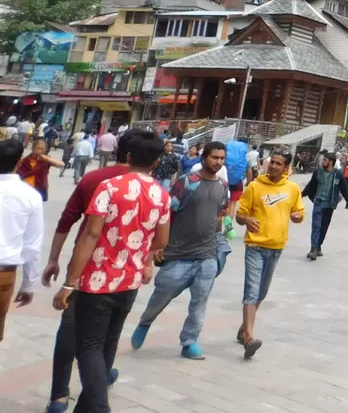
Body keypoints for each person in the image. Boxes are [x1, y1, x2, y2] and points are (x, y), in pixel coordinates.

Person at [53, 129, 170, 413]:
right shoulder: (162, 194)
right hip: (129, 283)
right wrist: (141, 257)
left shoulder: (110, 187)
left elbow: (91, 234)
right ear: (156, 162)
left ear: (128, 157)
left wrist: (69, 283)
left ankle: (99, 407)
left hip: (97, 281)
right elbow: (162, 241)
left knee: (89, 347)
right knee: (108, 344)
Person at [40, 129, 143, 413]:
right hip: (124, 273)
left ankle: (59, 396)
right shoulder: (150, 187)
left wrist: (53, 259)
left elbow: (67, 220)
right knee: (107, 338)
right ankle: (95, 395)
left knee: (71, 331)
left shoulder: (93, 179)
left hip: (86, 266)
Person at [129, 141, 231, 360]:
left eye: (222, 159)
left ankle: (189, 341)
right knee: (160, 297)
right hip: (178, 255)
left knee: (199, 302)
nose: (218, 162)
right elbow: (166, 214)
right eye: (215, 157)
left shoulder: (223, 186)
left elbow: (220, 214)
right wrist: (159, 246)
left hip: (207, 255)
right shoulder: (187, 182)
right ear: (204, 158)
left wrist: (219, 235)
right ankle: (145, 322)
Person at [235, 151, 304, 358]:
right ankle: (249, 338)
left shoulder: (292, 189)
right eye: (271, 162)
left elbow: (299, 213)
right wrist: (246, 220)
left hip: (276, 247)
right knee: (252, 290)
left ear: (286, 168)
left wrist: (297, 216)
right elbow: (240, 214)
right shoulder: (255, 186)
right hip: (255, 246)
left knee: (262, 293)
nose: (273, 166)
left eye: (278, 164)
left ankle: (242, 329)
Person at [0, 137, 44, 343]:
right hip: (4, 274)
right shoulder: (30, 196)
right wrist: (28, 285)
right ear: (19, 162)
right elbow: (32, 246)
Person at [302, 151, 348, 260]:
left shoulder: (338, 175)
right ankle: (313, 249)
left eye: (325, 160)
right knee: (316, 226)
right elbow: (311, 185)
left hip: (329, 205)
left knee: (323, 227)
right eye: (323, 159)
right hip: (318, 202)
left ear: (331, 162)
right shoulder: (318, 172)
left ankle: (318, 245)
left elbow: (344, 190)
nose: (323, 161)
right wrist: (301, 194)